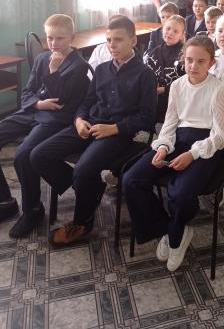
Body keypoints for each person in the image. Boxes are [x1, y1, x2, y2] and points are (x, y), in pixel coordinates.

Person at [30, 16, 157, 246]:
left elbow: (147, 118)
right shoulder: (101, 69)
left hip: (118, 134)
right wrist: (79, 119)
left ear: (133, 41)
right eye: (108, 40)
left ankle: (83, 223)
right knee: (38, 155)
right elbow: (87, 102)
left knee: (83, 169)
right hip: (89, 125)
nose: (112, 45)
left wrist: (114, 128)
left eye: (118, 40)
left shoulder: (145, 74)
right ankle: (90, 188)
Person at [123, 35, 224, 272]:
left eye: (201, 61)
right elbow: (170, 124)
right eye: (189, 60)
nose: (193, 66)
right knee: (131, 180)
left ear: (211, 63)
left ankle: (177, 232)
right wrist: (163, 147)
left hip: (205, 147)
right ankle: (166, 228)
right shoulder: (178, 85)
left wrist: (192, 154)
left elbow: (219, 136)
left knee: (180, 193)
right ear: (183, 59)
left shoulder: (219, 89)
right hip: (178, 139)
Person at [0, 14, 90, 238]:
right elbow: (27, 92)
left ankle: (33, 210)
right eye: (49, 38)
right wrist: (38, 103)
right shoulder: (42, 58)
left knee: (23, 155)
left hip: (55, 118)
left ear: (72, 38)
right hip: (35, 110)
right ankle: (5, 201)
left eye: (60, 38)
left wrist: (53, 71)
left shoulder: (79, 65)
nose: (53, 43)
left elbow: (60, 100)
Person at [146, 15, 186, 121]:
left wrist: (165, 89)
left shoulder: (185, 54)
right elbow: (147, 74)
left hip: (177, 101)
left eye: (175, 31)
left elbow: (187, 81)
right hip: (156, 100)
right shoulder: (154, 52)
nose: (170, 32)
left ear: (182, 35)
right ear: (162, 29)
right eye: (168, 28)